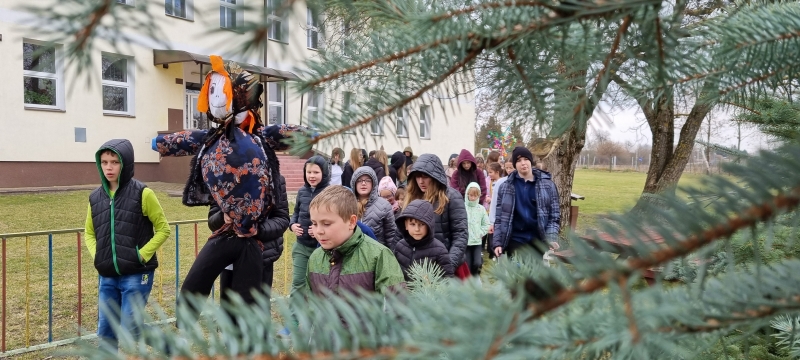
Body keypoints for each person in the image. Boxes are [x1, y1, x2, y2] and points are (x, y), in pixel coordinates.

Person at [85, 139, 170, 350]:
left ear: (126, 164)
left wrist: (141, 256)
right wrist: (99, 255)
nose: (108, 167)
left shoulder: (143, 193)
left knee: (131, 327)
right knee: (105, 330)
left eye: (114, 162)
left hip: (136, 273)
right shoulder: (95, 197)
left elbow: (163, 229)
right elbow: (89, 233)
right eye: (104, 162)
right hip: (107, 275)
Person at [305, 186, 406, 296]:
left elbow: (396, 305)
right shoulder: (315, 258)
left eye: (327, 224)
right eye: (314, 223)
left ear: (352, 222)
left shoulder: (379, 256)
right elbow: (309, 304)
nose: (319, 231)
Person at [210, 174, 288, 306]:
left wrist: (258, 230)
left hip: (260, 257)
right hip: (229, 259)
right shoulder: (221, 176)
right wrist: (222, 217)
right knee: (229, 312)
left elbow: (282, 219)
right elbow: (212, 221)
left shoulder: (274, 178)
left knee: (257, 312)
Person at [404, 153, 469, 278]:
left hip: (448, 266)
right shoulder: (412, 197)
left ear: (434, 176)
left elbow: (460, 235)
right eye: (417, 177)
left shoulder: (452, 197)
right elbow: (401, 233)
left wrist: (448, 266)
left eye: (425, 177)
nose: (421, 181)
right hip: (418, 267)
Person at [492, 147, 561, 260]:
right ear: (514, 164)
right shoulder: (505, 187)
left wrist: (551, 237)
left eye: (525, 159)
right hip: (515, 239)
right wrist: (498, 242)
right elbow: (500, 218)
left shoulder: (548, 185)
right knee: (517, 276)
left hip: (537, 240)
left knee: (533, 276)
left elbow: (554, 216)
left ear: (530, 161)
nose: (523, 163)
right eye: (518, 161)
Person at [289, 155, 331, 297]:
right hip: (301, 246)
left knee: (318, 286)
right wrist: (292, 224)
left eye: (316, 172)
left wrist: (320, 230)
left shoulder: (330, 193)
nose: (311, 176)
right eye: (309, 172)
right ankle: (294, 318)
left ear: (324, 173)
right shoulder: (301, 192)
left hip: (321, 248)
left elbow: (333, 220)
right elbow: (295, 212)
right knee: (298, 283)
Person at [393, 200, 454, 281]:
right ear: (406, 225)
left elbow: (448, 280)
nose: (417, 229)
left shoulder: (439, 251)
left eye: (422, 224)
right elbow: (393, 274)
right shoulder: (400, 247)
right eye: (412, 224)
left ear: (429, 225)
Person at [351, 167, 398, 248]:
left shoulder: (384, 205)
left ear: (373, 183)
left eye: (368, 180)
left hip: (376, 253)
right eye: (359, 180)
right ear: (354, 183)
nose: (363, 183)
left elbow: (391, 234)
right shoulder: (347, 204)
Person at [464, 183, 489, 276]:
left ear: (478, 196)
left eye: (475, 196)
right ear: (467, 194)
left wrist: (481, 233)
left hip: (477, 242)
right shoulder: (463, 208)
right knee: (468, 264)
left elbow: (486, 224)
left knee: (477, 263)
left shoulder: (481, 209)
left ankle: (475, 276)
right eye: (471, 195)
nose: (473, 198)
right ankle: (470, 281)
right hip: (466, 242)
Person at [485, 162, 507, 259]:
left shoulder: (501, 182)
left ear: (497, 172)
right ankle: (492, 251)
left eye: (490, 172)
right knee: (492, 233)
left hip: (501, 212)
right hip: (490, 211)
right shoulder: (489, 181)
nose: (489, 174)